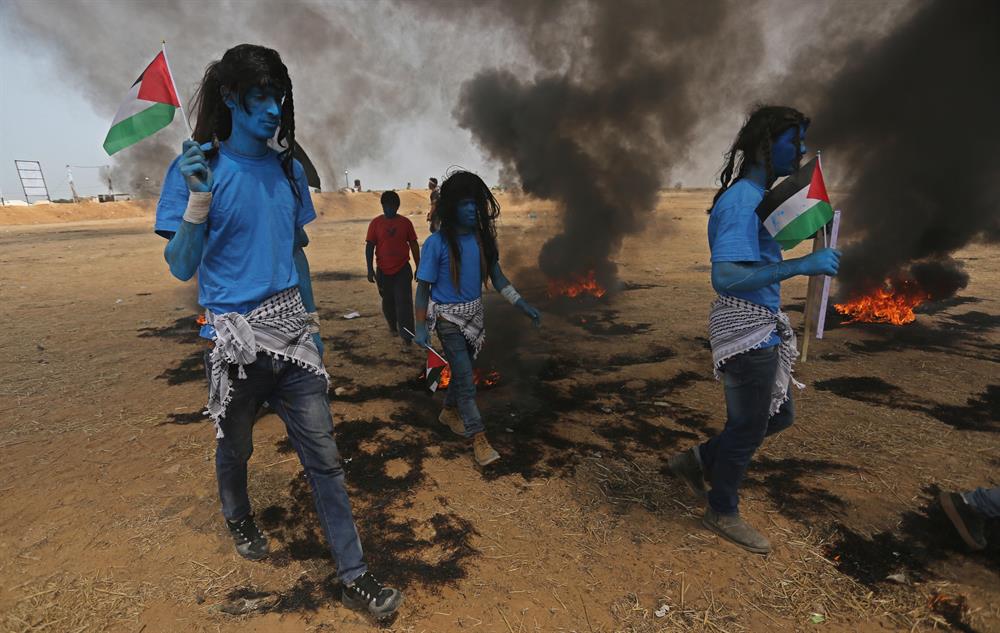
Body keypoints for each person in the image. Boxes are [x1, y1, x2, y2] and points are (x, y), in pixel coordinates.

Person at [153, 44, 401, 620]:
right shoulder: (199, 168)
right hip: (234, 342)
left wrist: (313, 329)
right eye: (261, 97)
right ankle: (239, 514)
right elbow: (181, 266)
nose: (273, 108)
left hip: (292, 337)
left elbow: (298, 254)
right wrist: (197, 201)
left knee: (325, 458)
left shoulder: (289, 171)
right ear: (233, 100)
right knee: (235, 445)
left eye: (279, 96)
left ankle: (354, 575)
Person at [667, 105, 841, 554]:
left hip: (761, 323)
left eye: (803, 143)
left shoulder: (757, 199)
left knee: (777, 415)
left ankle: (699, 459)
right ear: (766, 144)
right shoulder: (743, 201)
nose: (800, 152)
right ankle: (721, 509)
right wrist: (804, 265)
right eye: (793, 142)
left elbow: (760, 255)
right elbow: (725, 277)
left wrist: (805, 242)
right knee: (747, 427)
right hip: (746, 327)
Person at [412, 171, 541, 466]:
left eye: (476, 204)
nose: (472, 210)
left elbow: (498, 278)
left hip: (474, 320)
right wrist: (421, 327)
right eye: (466, 204)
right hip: (448, 320)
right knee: (466, 380)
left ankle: (449, 412)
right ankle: (479, 439)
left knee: (461, 372)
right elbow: (423, 291)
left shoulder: (482, 240)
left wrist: (520, 303)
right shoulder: (437, 244)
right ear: (452, 206)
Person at [366, 190, 419, 345]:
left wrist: (419, 265)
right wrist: (370, 269)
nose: (389, 209)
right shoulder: (375, 223)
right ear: (382, 206)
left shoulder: (405, 223)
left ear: (397, 207)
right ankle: (393, 326)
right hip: (383, 270)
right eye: (386, 206)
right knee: (388, 301)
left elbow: (414, 244)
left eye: (392, 206)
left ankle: (407, 337)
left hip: (402, 269)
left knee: (404, 302)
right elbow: (370, 246)